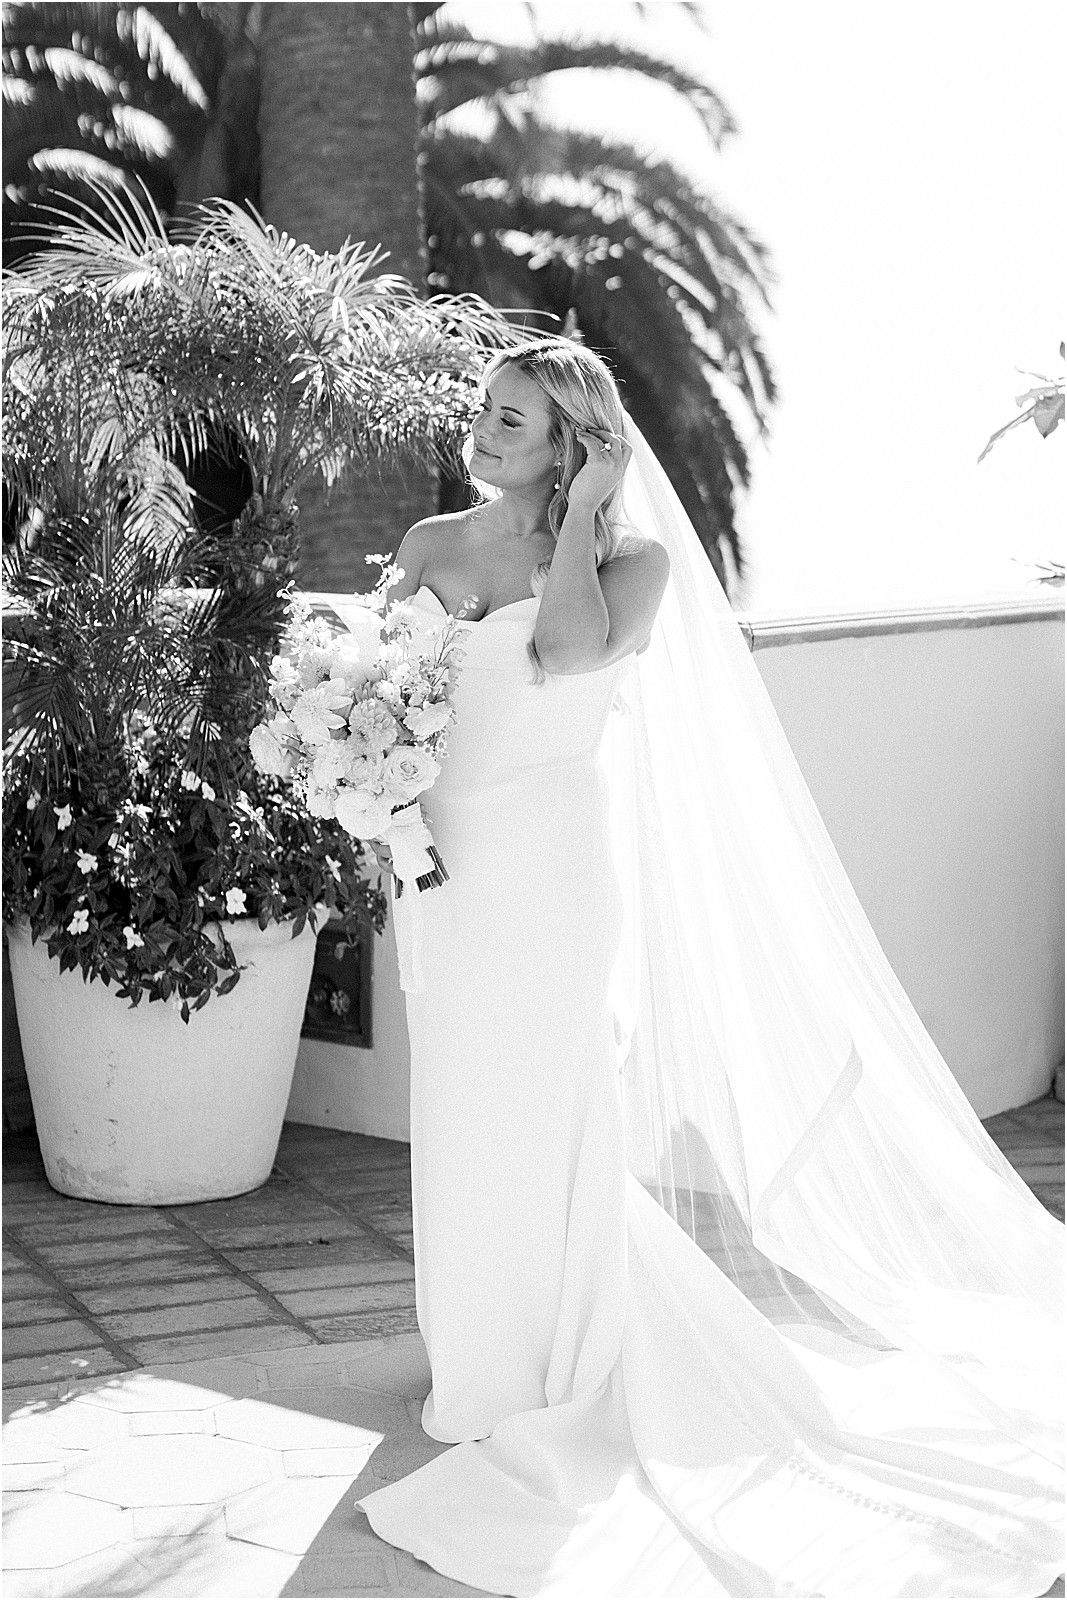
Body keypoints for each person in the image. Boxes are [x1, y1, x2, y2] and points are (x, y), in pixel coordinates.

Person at [354, 338, 1064, 1598]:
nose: (483, 432)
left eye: (512, 420)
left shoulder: (634, 563)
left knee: (553, 1107)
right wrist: (364, 795)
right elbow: (375, 693)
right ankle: (477, 1357)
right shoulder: (423, 542)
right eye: (482, 412)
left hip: (550, 866)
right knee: (460, 1114)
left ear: (572, 443)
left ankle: (561, 1363)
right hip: (438, 867)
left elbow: (564, 657)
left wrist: (568, 520)